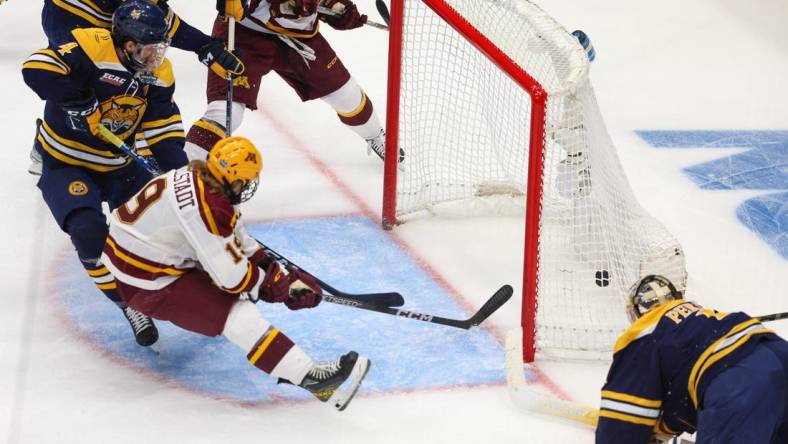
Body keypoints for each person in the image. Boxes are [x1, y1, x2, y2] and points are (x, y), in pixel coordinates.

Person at [100, 135, 371, 410]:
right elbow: (231, 278)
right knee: (237, 314)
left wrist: (280, 276)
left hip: (144, 256)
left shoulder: (204, 177)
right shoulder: (207, 207)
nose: (249, 185)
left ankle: (306, 374)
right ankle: (312, 378)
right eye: (248, 180)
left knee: (238, 295)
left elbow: (237, 237)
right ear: (236, 179)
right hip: (144, 281)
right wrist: (274, 287)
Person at [22, 0, 191, 347]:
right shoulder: (87, 44)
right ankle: (128, 303)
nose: (156, 57)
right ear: (128, 44)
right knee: (87, 231)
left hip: (120, 166)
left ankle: (206, 281)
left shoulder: (159, 72)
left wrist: (179, 172)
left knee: (178, 218)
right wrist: (77, 98)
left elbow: (162, 127)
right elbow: (35, 68)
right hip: (66, 163)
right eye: (149, 49)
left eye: (161, 47)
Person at [27, 0, 247, 175]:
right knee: (77, 78)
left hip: (121, 20)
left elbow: (157, 20)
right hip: (71, 14)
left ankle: (130, 147)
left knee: (138, 79)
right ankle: (51, 146)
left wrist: (204, 46)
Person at [183, 0, 406, 165]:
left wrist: (340, 11)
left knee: (347, 96)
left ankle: (375, 135)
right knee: (225, 113)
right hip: (245, 34)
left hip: (300, 37)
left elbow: (327, 7)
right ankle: (183, 168)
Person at [595, 275, 788, 444]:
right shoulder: (704, 317)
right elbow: (683, 391)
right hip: (779, 355)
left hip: (742, 386)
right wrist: (663, 428)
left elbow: (622, 421)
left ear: (637, 312)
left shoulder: (643, 334)